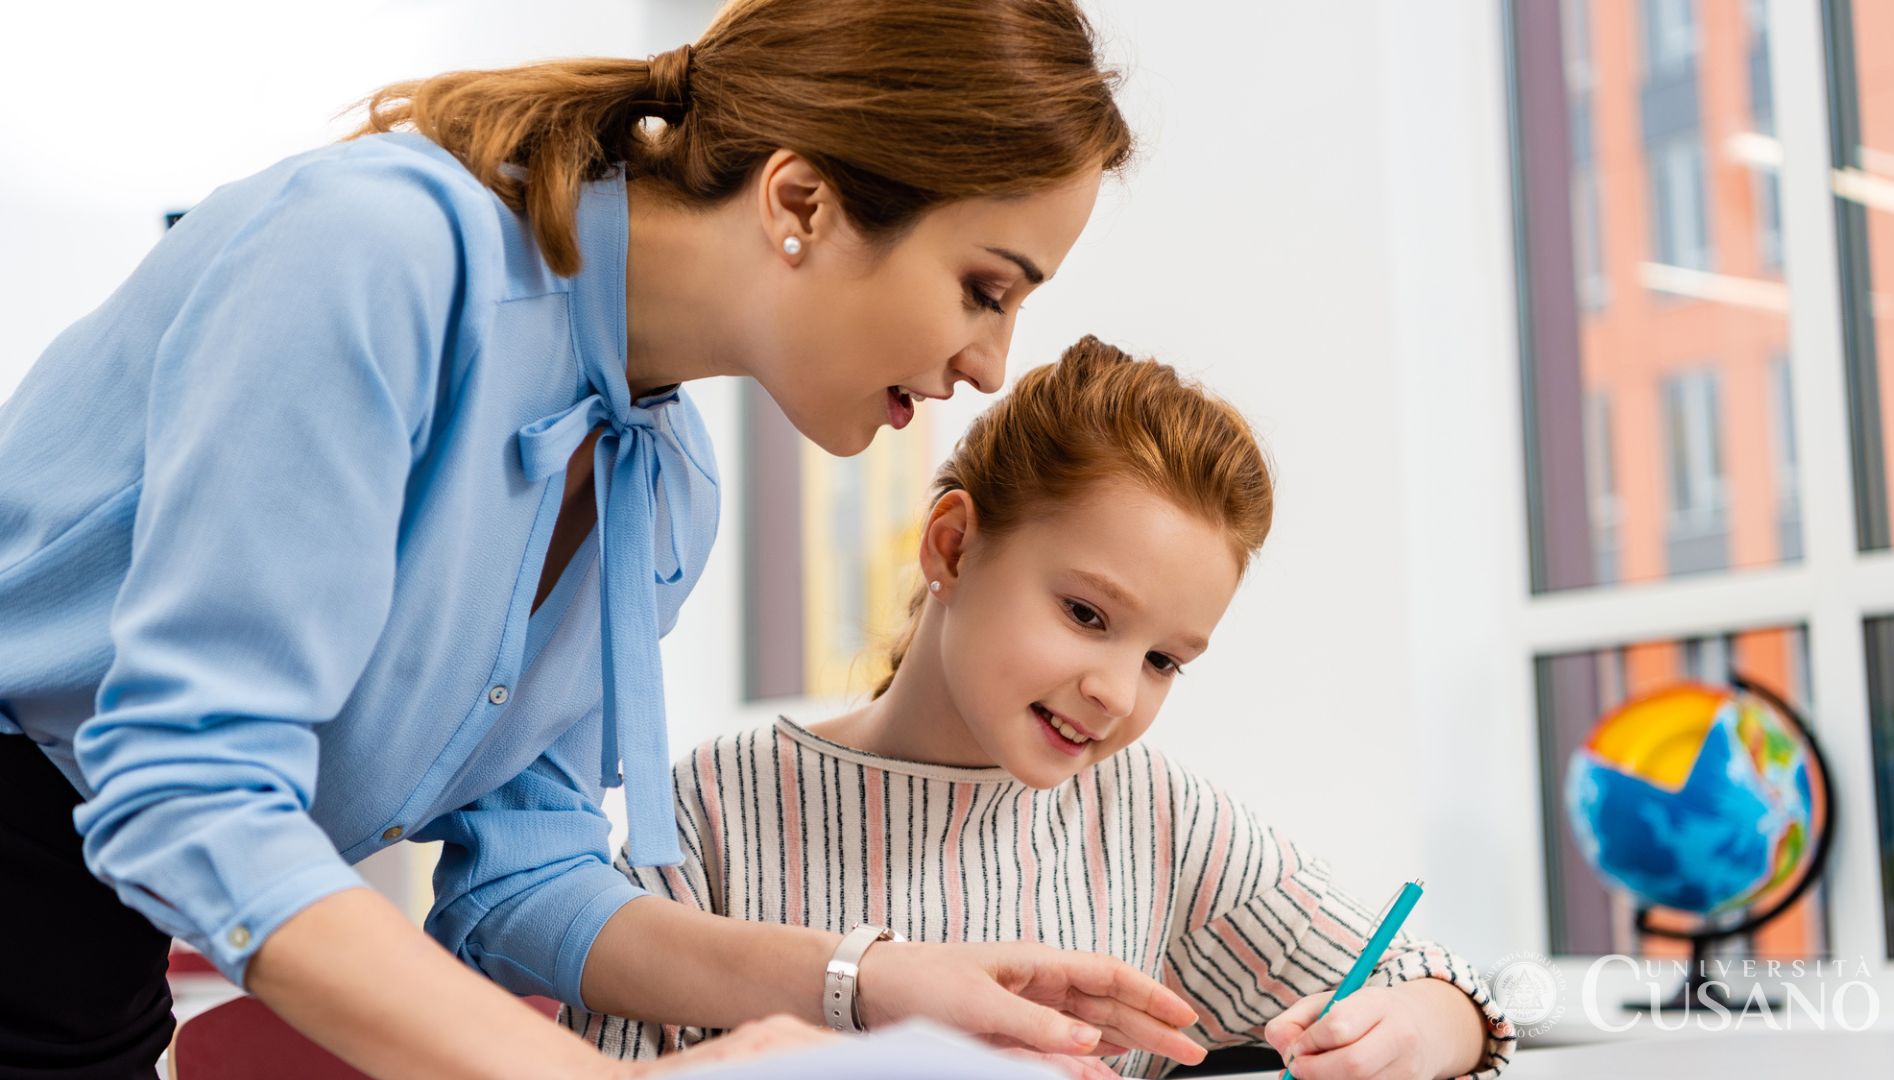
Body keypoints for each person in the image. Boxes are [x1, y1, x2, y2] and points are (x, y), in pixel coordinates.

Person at [0, 2, 1212, 1076]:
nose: (990, 364)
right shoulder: (377, 259)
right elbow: (189, 788)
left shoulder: (666, 490)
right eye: (986, 289)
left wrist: (872, 980)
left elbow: (524, 880)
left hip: (83, 965)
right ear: (801, 201)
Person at [564, 337, 1521, 1079]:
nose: (1116, 690)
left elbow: (1451, 995)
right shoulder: (713, 810)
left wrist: (1418, 1033)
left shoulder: (1155, 817)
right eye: (1085, 613)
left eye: (1162, 660)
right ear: (951, 548)